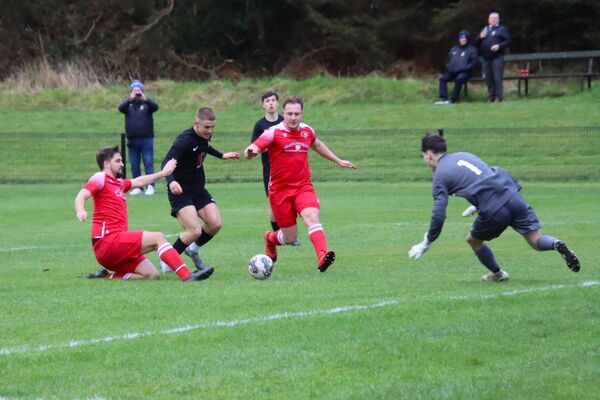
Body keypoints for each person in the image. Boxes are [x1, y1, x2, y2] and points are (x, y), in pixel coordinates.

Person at [408, 133, 580, 281]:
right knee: (536, 240)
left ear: (429, 155)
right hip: (512, 195)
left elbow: (438, 215)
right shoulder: (464, 155)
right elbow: (485, 179)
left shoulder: (440, 175)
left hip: (495, 209)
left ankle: (497, 274)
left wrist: (426, 242)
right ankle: (556, 243)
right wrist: (477, 205)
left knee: (473, 240)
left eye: (424, 156)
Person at [244, 96, 357, 272]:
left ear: (302, 113)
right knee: (289, 238)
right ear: (284, 113)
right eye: (289, 113)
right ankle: (270, 239)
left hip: (303, 186)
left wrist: (338, 160)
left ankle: (322, 257)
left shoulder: (307, 131)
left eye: (297, 113)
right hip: (279, 191)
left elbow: (317, 145)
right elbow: (255, 147)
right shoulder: (273, 132)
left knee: (312, 217)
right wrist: (251, 151)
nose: (293, 117)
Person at [75, 146, 212, 281]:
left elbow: (139, 181)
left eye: (122, 161)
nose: (122, 164)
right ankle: (187, 276)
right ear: (106, 164)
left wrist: (163, 173)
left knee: (152, 275)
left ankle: (106, 276)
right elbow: (82, 195)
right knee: (158, 237)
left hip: (113, 248)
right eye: (118, 161)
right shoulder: (100, 178)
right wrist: (81, 210)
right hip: (107, 241)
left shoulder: (119, 183)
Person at [159, 107, 240, 276]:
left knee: (215, 223)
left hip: (198, 189)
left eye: (213, 127)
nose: (210, 131)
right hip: (180, 192)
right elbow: (166, 161)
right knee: (194, 230)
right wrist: (171, 181)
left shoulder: (203, 137)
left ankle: (193, 250)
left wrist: (222, 155)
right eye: (207, 127)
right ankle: (167, 260)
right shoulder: (184, 140)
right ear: (196, 124)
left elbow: (204, 147)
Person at [118, 79, 159, 195]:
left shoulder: (147, 104)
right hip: (132, 140)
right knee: (134, 164)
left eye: (139, 90)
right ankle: (137, 187)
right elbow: (120, 108)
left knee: (148, 162)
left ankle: (150, 186)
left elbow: (156, 107)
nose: (137, 92)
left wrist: (145, 99)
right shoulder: (128, 105)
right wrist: (130, 98)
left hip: (146, 139)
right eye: (135, 90)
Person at [435, 30, 478, 104]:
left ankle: (453, 99)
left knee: (459, 79)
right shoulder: (454, 49)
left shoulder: (472, 49)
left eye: (465, 38)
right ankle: (443, 98)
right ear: (459, 39)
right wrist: (449, 67)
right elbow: (448, 60)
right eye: (461, 38)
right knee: (442, 79)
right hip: (452, 71)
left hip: (465, 72)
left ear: (467, 39)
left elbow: (474, 62)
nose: (463, 39)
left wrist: (466, 68)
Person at [476, 12, 511, 103]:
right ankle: (491, 96)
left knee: (497, 77)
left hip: (497, 57)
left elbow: (508, 41)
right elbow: (476, 42)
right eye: (491, 18)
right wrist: (480, 37)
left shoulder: (502, 29)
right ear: (488, 20)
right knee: (488, 77)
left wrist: (499, 46)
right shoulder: (485, 29)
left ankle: (498, 97)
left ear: (498, 20)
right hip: (485, 57)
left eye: (495, 18)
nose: (493, 20)